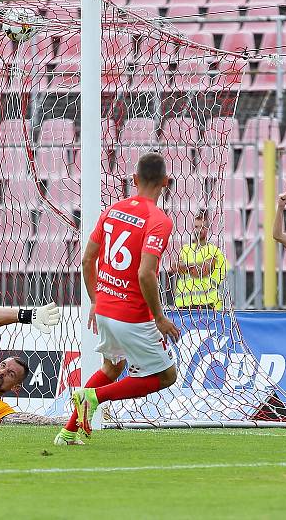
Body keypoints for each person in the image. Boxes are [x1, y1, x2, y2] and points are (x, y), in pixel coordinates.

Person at [54, 152, 180, 445]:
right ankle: (93, 397)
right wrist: (160, 317)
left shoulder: (113, 210)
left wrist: (96, 300)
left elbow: (87, 260)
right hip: (132, 316)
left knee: (112, 368)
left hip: (104, 309)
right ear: (166, 182)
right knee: (165, 377)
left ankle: (68, 432)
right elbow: (146, 274)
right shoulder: (158, 219)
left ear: (134, 180)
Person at [173, 209, 229, 310]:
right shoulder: (185, 248)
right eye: (196, 227)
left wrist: (185, 266)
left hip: (207, 303)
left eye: (202, 227)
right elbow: (174, 267)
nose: (198, 230)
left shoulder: (214, 250)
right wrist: (193, 266)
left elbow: (201, 271)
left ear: (207, 229)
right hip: (183, 303)